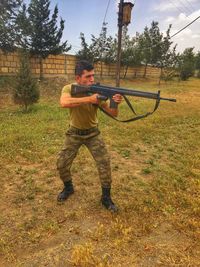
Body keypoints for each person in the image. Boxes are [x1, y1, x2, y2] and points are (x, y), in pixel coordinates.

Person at [56, 60, 122, 212]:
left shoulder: (96, 91)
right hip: (74, 133)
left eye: (93, 76)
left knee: (104, 163)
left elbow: (113, 114)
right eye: (88, 76)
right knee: (61, 164)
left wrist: (115, 102)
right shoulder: (69, 88)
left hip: (93, 133)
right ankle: (69, 188)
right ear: (78, 78)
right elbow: (64, 102)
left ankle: (106, 197)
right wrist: (90, 99)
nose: (92, 79)